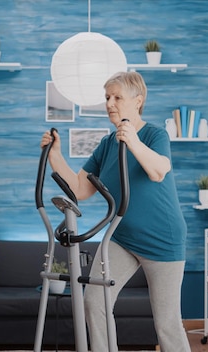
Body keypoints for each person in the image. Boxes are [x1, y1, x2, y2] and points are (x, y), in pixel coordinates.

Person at [39, 71, 190, 352]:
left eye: (117, 97)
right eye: (107, 97)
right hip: (123, 238)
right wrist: (55, 155)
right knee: (94, 301)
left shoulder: (155, 135)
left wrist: (132, 139)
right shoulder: (107, 144)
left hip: (163, 240)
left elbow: (158, 171)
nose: (110, 103)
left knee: (167, 322)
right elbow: (80, 189)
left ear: (138, 100)